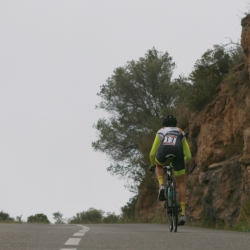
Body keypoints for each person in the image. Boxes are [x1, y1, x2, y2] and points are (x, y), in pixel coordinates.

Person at [149, 115, 192, 224]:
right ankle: (182, 214)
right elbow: (189, 155)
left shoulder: (161, 131)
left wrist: (153, 165)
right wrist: (182, 163)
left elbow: (152, 153)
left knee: (159, 166)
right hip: (177, 153)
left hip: (164, 150)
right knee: (181, 183)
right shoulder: (180, 131)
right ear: (175, 124)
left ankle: (162, 185)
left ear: (164, 124)